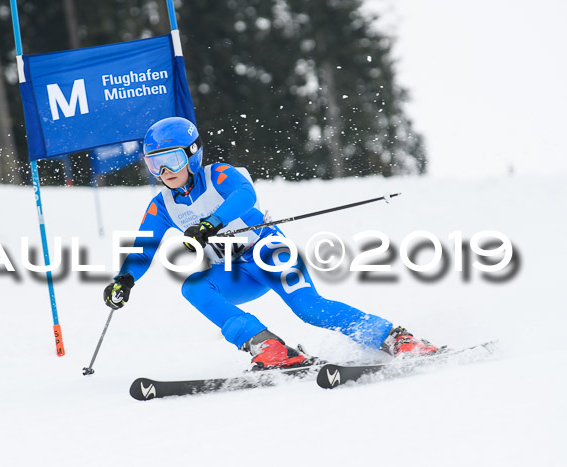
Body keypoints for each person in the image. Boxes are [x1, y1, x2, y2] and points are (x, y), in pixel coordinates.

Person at [103, 116, 440, 369]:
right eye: (153, 164)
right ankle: (268, 347)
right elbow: (144, 247)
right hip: (234, 271)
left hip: (268, 252)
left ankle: (396, 338)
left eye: (171, 160)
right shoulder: (162, 204)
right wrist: (124, 279)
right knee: (194, 288)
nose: (164, 171)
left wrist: (212, 223)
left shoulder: (217, 175)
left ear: (192, 155)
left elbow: (244, 196)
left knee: (309, 309)